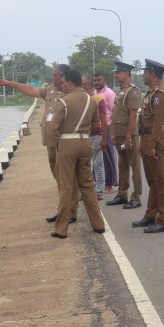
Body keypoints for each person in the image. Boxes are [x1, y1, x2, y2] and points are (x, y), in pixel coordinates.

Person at [0, 65, 79, 224]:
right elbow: (31, 90)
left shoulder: (71, 93)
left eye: (55, 75)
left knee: (67, 180)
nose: (52, 77)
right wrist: (10, 83)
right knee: (59, 179)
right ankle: (64, 210)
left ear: (64, 77)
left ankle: (69, 212)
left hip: (65, 143)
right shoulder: (50, 91)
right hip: (50, 142)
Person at [48, 69, 106, 238]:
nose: (63, 85)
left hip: (67, 143)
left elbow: (53, 127)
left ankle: (61, 228)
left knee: (66, 187)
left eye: (64, 82)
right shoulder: (91, 100)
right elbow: (96, 125)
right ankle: (98, 224)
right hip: (85, 142)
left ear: (70, 83)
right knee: (87, 185)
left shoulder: (64, 101)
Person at [131, 59, 164, 233]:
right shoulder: (151, 93)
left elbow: (157, 122)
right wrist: (142, 144)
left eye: (145, 72)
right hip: (147, 138)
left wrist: (152, 145)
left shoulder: (159, 94)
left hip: (154, 138)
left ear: (152, 74)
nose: (143, 75)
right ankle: (150, 215)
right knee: (152, 181)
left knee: (161, 182)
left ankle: (163, 220)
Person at [105, 62, 142, 210]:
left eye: (118, 72)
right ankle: (122, 194)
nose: (115, 75)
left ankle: (136, 196)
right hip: (119, 135)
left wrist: (128, 137)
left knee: (135, 166)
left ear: (126, 73)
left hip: (129, 136)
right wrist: (114, 134)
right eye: (115, 72)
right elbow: (116, 114)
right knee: (123, 165)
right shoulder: (121, 91)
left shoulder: (133, 91)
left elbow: (133, 116)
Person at [82, 76, 107, 200]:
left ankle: (99, 191)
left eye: (82, 84)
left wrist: (103, 138)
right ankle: (87, 191)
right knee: (84, 165)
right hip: (83, 137)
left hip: (95, 136)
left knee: (98, 165)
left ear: (87, 85)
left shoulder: (98, 99)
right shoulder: (82, 99)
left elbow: (104, 120)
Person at [93, 72, 118, 193]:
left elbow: (114, 111)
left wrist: (113, 131)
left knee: (108, 157)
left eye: (99, 80)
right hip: (97, 129)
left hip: (107, 128)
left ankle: (110, 184)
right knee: (98, 158)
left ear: (105, 80)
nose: (97, 82)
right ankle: (99, 182)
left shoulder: (109, 93)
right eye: (95, 80)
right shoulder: (94, 94)